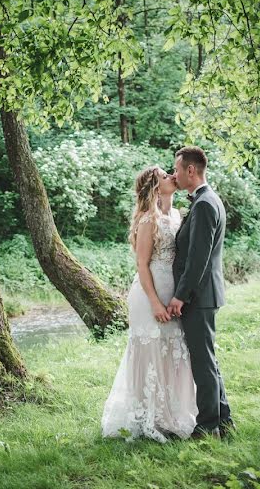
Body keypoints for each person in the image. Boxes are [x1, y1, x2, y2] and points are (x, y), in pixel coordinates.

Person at [101, 166, 197, 442]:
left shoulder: (177, 214)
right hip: (149, 293)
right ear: (156, 186)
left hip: (174, 291)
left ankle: (171, 413)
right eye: (166, 176)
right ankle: (148, 416)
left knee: (174, 352)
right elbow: (142, 264)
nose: (172, 177)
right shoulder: (147, 220)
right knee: (150, 351)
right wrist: (155, 302)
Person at [167, 145, 234, 438]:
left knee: (203, 362)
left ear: (190, 170)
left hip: (200, 296)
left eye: (177, 169)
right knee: (208, 359)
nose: (175, 174)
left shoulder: (205, 204)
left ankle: (207, 426)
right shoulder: (206, 200)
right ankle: (224, 419)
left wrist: (180, 295)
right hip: (205, 295)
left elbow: (198, 259)